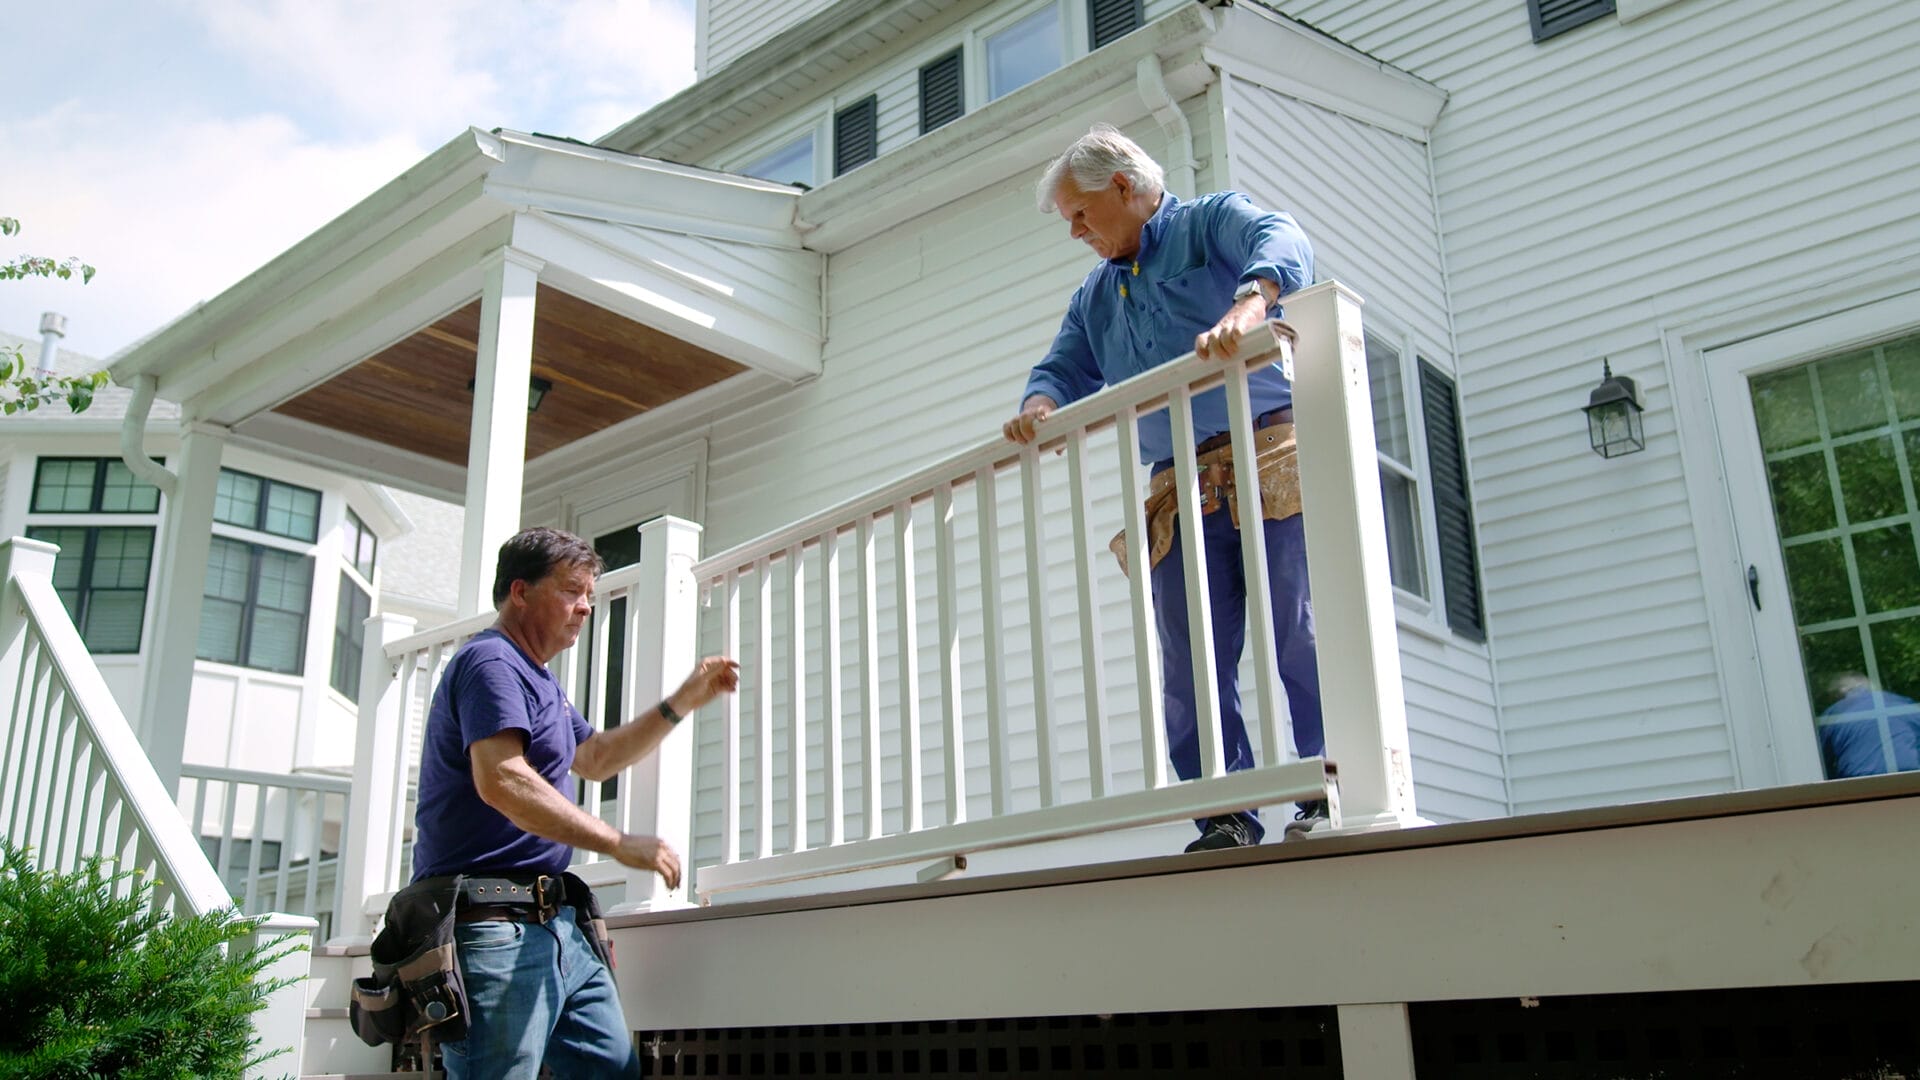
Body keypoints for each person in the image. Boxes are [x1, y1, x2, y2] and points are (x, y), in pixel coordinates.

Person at [1004, 124, 1320, 852]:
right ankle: (1225, 813)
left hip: (1267, 451)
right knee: (1189, 661)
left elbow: (1283, 236)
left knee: (1296, 629)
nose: (1075, 232)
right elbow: (1061, 367)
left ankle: (1320, 792)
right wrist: (1038, 408)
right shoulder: (1097, 294)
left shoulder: (1208, 224)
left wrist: (1251, 304)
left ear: (1123, 187)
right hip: (1177, 486)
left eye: (1079, 214)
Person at [408, 526, 738, 1078]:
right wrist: (616, 843)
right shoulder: (491, 664)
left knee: (609, 1068)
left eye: (589, 593)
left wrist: (685, 699)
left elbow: (596, 757)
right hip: (491, 926)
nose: (585, 607)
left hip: (556, 925)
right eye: (571, 590)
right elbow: (502, 780)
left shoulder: (539, 681)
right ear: (520, 591)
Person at [1816, 672, 1920, 778]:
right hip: (1911, 776)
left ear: (1840, 694)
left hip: (1861, 783)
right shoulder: (1903, 703)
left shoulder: (1834, 713)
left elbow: (1820, 764)